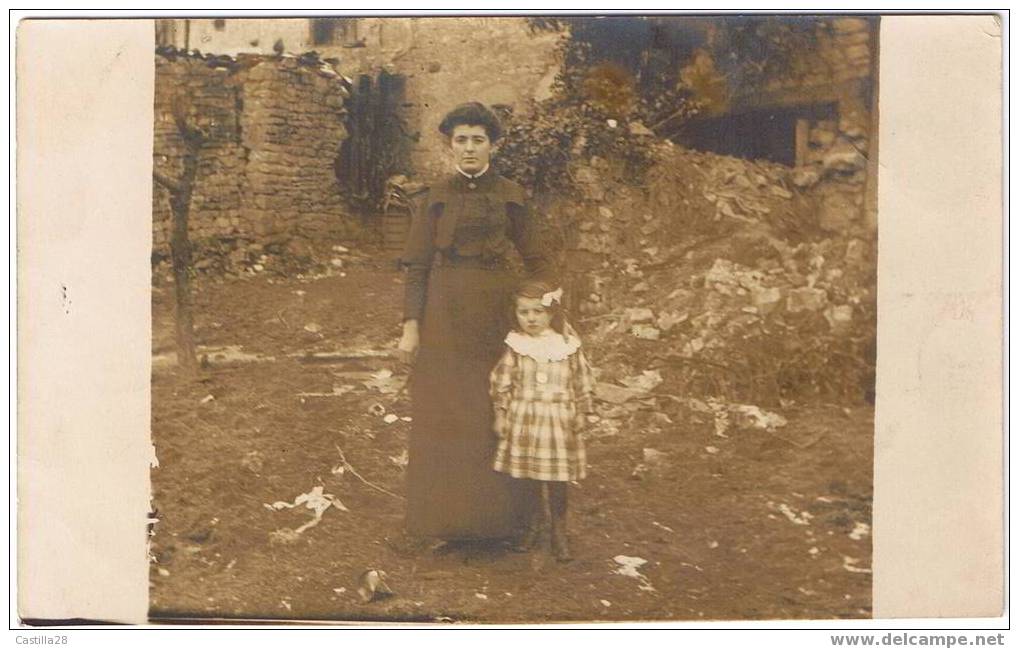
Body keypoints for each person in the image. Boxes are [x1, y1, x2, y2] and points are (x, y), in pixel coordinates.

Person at [397, 102, 556, 543]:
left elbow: (539, 260)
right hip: (444, 315)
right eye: (461, 140)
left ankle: (505, 525)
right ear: (451, 145)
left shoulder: (510, 194)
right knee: (446, 414)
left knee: (496, 412)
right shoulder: (434, 197)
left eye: (478, 140)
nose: (469, 149)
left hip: (496, 316)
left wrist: (537, 312)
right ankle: (444, 523)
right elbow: (417, 267)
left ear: (492, 145)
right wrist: (412, 326)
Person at [489, 281, 595, 562]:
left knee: (557, 478)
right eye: (524, 312)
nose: (531, 318)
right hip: (524, 419)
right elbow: (503, 382)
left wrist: (583, 412)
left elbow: (581, 380)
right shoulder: (516, 345)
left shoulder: (566, 345)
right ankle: (535, 524)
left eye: (537, 312)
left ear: (550, 314)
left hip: (559, 419)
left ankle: (559, 529)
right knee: (529, 476)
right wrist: (500, 414)